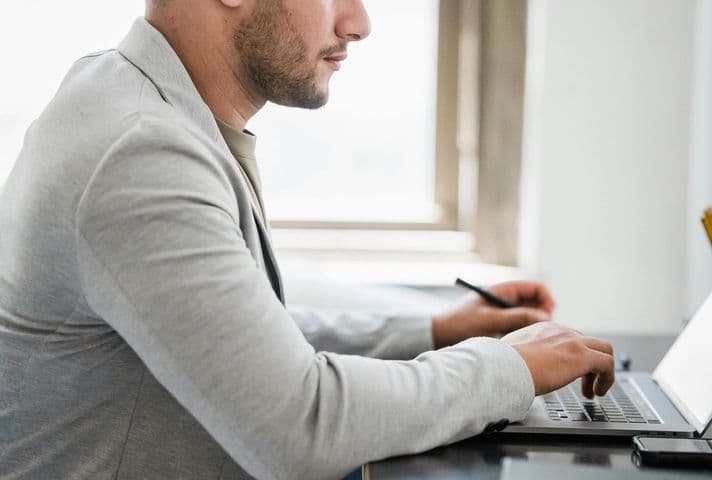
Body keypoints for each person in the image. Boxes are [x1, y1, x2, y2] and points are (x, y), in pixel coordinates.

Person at [0, 1, 615, 479]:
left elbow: (244, 337)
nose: (360, 23)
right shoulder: (140, 152)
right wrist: (508, 368)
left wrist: (435, 332)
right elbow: (298, 427)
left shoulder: (136, 104)